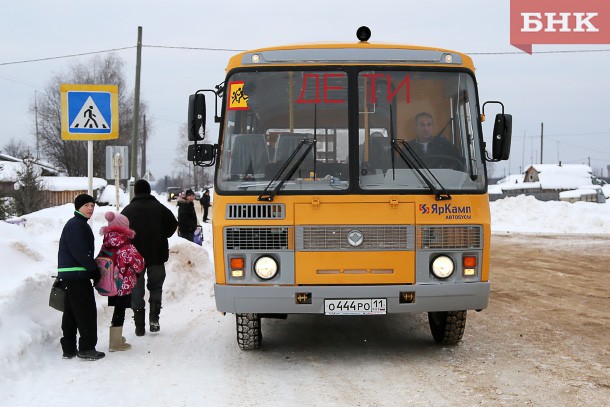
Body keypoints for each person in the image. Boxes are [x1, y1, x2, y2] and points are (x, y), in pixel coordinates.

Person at [121, 179, 178, 336]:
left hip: (134, 258)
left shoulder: (127, 211)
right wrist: (162, 235)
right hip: (157, 255)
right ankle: (154, 320)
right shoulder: (159, 208)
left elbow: (119, 232)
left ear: (136, 192)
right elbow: (173, 224)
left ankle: (139, 326)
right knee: (156, 287)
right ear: (149, 191)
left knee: (136, 289)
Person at [57, 193, 104, 361]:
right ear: (78, 207)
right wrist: (93, 270)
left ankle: (68, 348)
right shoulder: (77, 225)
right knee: (86, 312)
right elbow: (80, 252)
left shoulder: (77, 224)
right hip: (77, 274)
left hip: (71, 275)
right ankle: (86, 348)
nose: (90, 208)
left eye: (92, 205)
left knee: (71, 312)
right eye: (87, 205)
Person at [98, 211, 145, 351]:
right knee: (120, 311)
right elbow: (139, 264)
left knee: (118, 310)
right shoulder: (126, 246)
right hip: (123, 284)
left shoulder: (106, 243)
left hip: (110, 283)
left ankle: (116, 339)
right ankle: (115, 343)